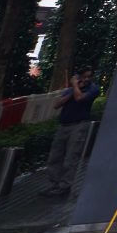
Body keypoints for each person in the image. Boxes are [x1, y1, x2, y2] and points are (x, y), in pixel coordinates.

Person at [42, 68, 100, 196]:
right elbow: (57, 105)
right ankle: (53, 184)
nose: (86, 79)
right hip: (64, 125)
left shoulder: (93, 89)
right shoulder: (71, 89)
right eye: (84, 76)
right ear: (78, 77)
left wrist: (75, 86)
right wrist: (73, 89)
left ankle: (65, 186)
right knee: (55, 156)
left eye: (89, 76)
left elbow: (79, 98)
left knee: (71, 157)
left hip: (79, 125)